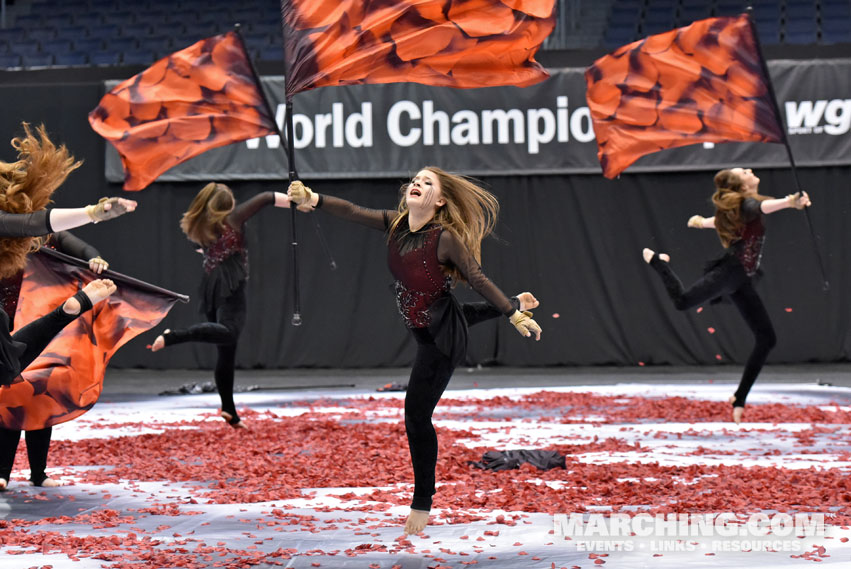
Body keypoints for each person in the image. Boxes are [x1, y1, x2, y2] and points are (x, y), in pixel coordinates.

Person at [287, 167, 542, 535]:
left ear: (438, 200)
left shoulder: (445, 238)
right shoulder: (397, 224)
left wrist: (513, 314)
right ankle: (515, 302)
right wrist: (313, 199)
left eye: (427, 182)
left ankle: (422, 501)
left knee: (416, 418)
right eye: (415, 180)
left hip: (438, 343)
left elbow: (478, 278)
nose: (416, 184)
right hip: (434, 320)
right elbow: (353, 211)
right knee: (451, 314)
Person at [0, 122, 136, 491]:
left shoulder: (30, 231)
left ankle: (32, 471)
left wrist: (94, 218)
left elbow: (35, 223)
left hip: (18, 326)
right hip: (14, 326)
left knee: (25, 388)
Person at [642, 167, 811, 424]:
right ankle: (659, 262)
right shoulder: (750, 204)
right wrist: (789, 202)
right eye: (744, 171)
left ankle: (739, 397)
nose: (749, 170)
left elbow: (729, 219)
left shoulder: (743, 206)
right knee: (683, 302)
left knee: (766, 339)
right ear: (743, 186)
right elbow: (762, 208)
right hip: (731, 273)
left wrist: (701, 222)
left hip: (741, 279)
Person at [149, 183, 293, 429]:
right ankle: (175, 337)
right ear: (227, 205)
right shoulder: (233, 219)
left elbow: (207, 249)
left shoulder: (203, 224)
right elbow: (266, 197)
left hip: (212, 285)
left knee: (227, 351)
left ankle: (229, 411)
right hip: (230, 284)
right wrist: (295, 201)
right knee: (229, 333)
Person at [0, 232, 109, 490]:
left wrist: (95, 259)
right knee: (9, 395)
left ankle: (38, 472)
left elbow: (83, 247)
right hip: (7, 324)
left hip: (38, 324)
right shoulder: (6, 232)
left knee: (39, 393)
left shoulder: (50, 233)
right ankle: (3, 471)